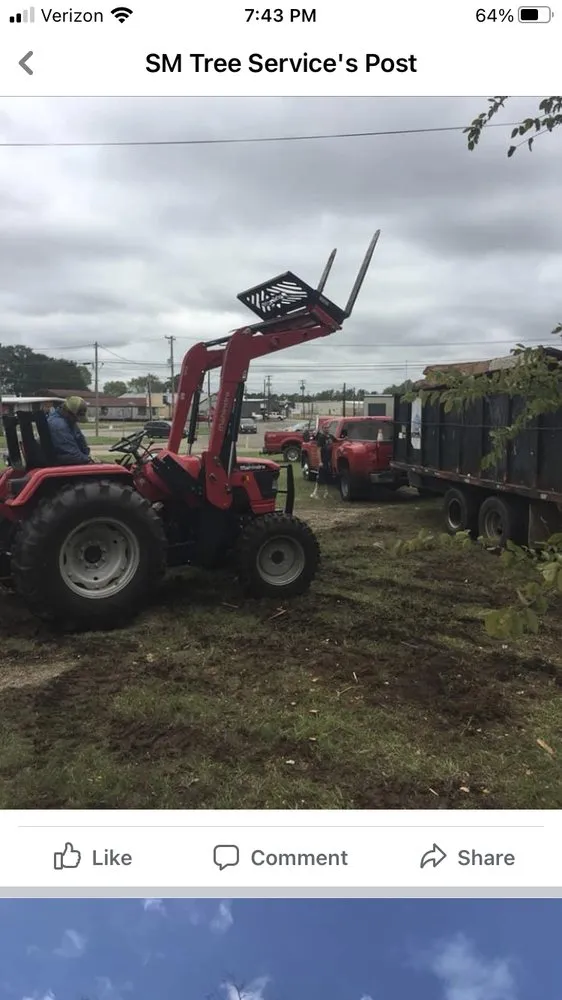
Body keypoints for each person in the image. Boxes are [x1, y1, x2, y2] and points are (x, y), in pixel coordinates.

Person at [47, 396, 94, 465]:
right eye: (76, 418)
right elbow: (72, 454)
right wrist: (88, 460)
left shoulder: (69, 421)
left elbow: (82, 444)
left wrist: (88, 457)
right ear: (67, 412)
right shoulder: (58, 425)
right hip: (61, 465)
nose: (76, 421)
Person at [310, 425, 332, 500]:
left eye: (327, 427)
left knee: (327, 477)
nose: (327, 429)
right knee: (320, 478)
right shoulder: (321, 437)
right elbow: (318, 450)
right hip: (323, 460)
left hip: (328, 461)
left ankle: (326, 493)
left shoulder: (330, 437)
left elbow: (337, 440)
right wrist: (320, 461)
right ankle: (314, 493)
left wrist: (344, 439)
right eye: (325, 428)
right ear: (323, 429)